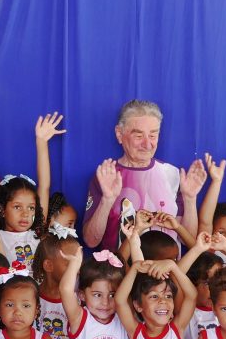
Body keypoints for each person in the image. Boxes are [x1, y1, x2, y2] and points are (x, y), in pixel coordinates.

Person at [81, 99, 206, 252]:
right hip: (120, 273)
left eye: (153, 135)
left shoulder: (172, 174)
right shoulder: (107, 175)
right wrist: (107, 200)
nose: (147, 144)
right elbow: (91, 241)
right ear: (119, 134)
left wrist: (190, 199)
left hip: (167, 273)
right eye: (138, 136)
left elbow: (188, 240)